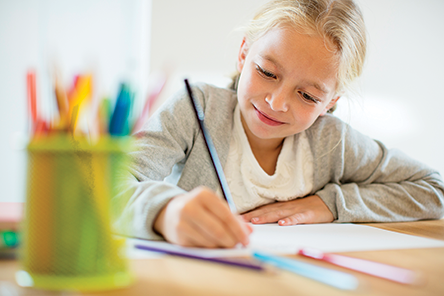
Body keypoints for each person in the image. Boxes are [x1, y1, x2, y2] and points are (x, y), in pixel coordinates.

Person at [113, 0, 444, 248]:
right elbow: (104, 186)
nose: (277, 102)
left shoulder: (332, 142)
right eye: (267, 73)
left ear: (330, 103)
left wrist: (329, 205)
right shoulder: (197, 108)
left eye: (308, 96)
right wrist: (164, 211)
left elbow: (434, 190)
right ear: (243, 54)